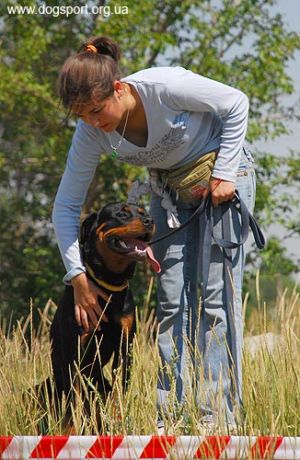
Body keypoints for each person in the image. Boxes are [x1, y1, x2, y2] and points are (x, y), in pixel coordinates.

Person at [52, 36, 256, 431]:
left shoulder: (164, 86)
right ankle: (170, 419)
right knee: (171, 300)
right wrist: (76, 276)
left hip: (224, 178)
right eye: (83, 116)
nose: (95, 123)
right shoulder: (91, 131)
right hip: (170, 191)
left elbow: (236, 102)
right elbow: (65, 207)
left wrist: (226, 172)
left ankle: (218, 418)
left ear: (119, 88)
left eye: (97, 110)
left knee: (216, 299)